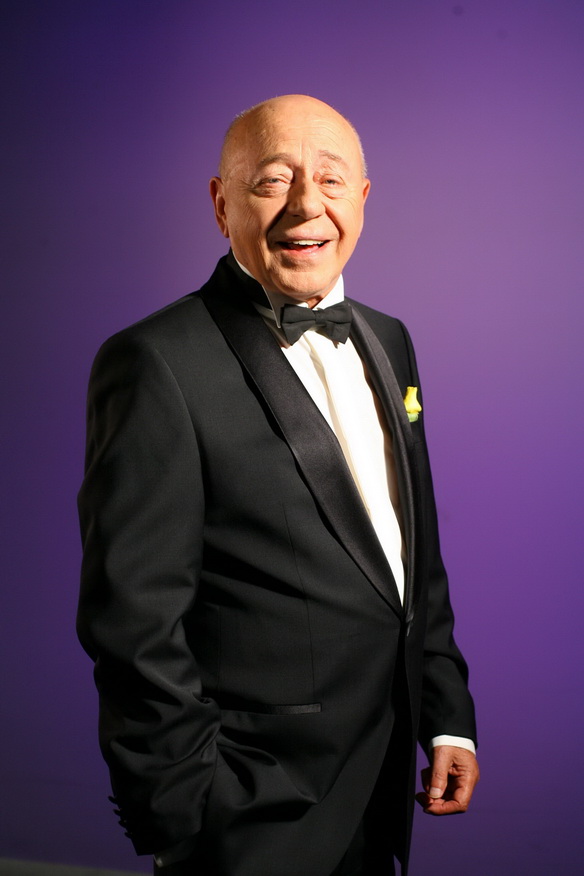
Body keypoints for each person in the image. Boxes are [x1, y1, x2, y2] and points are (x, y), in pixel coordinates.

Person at [77, 94, 479, 876]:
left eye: (331, 180)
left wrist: (446, 715)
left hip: (383, 785)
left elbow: (410, 556)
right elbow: (131, 617)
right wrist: (184, 807)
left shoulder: (390, 340)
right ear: (221, 203)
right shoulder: (155, 362)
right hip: (247, 810)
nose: (306, 206)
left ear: (362, 198)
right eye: (271, 181)